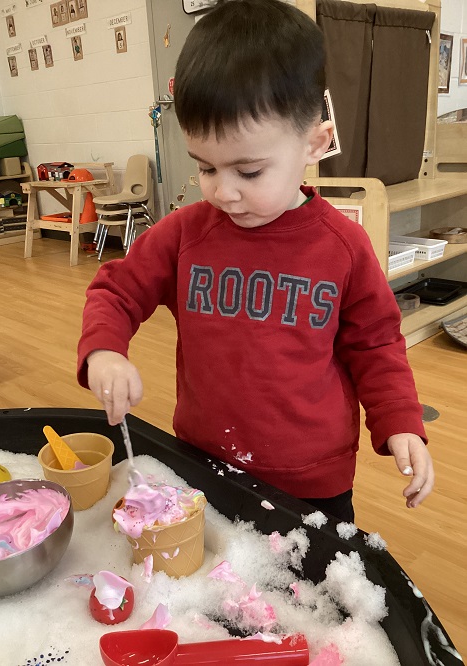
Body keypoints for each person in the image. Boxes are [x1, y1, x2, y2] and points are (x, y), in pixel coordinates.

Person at [78, 0, 434, 522]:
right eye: (205, 167)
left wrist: (400, 419)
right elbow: (115, 291)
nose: (224, 192)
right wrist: (104, 352)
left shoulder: (344, 247)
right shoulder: (184, 234)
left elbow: (376, 343)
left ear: (315, 143)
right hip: (204, 461)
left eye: (249, 172)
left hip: (314, 480)